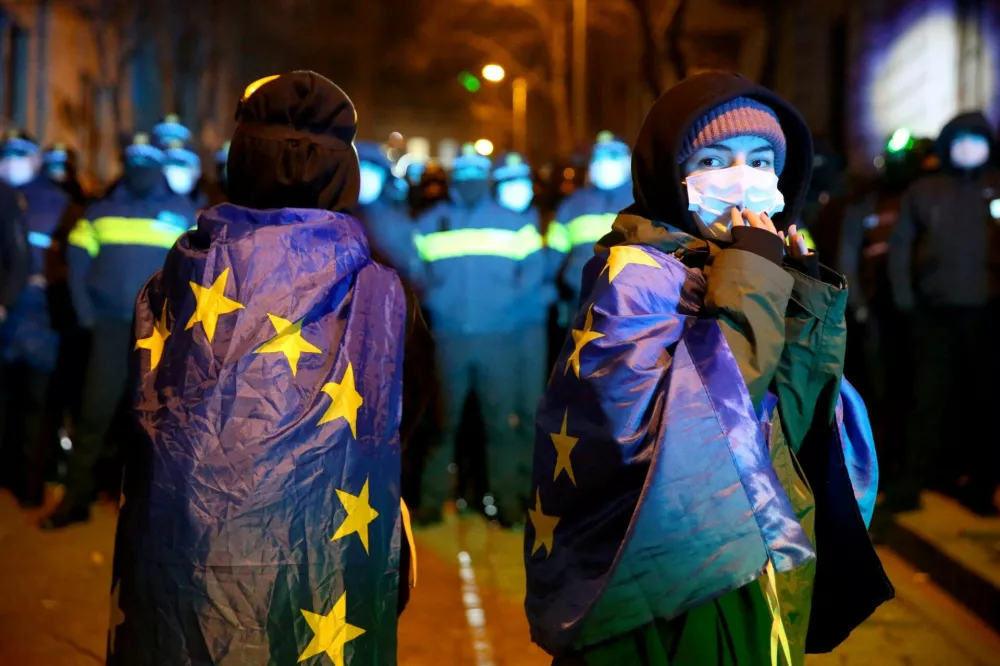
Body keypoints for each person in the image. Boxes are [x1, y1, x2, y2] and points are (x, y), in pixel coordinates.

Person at [525, 71, 892, 665]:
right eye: (714, 160)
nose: (741, 178)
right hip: (677, 582)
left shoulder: (749, 263)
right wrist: (754, 278)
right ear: (671, 175)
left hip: (756, 557)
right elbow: (707, 419)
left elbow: (797, 421)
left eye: (761, 160)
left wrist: (798, 295)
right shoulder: (636, 278)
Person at [105, 71, 427, 664]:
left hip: (179, 565)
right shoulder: (383, 294)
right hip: (325, 566)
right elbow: (411, 422)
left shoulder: (172, 283)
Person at [44, 132, 198, 528]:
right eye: (134, 162)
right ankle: (76, 498)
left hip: (159, 331)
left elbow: (196, 275)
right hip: (111, 328)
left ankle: (143, 504)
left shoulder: (182, 213)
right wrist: (86, 314)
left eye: (148, 162)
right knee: (95, 411)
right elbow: (76, 262)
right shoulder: (101, 211)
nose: (140, 170)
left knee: (152, 418)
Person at [414, 144, 545, 526]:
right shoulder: (432, 222)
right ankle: (431, 503)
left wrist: (502, 311)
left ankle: (508, 504)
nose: (470, 181)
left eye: (476, 174)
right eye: (464, 174)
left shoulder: (514, 223)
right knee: (443, 424)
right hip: (448, 340)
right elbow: (415, 274)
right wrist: (440, 305)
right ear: (454, 179)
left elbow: (532, 277)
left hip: (499, 341)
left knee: (500, 425)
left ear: (485, 180)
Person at [886, 112, 1000, 515]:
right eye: (961, 139)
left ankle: (981, 487)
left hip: (987, 312)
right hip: (934, 313)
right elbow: (900, 246)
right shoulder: (924, 190)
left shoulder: (995, 186)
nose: (969, 147)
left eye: (977, 139)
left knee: (986, 403)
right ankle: (910, 485)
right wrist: (905, 300)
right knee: (927, 401)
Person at [0, 130, 72, 506]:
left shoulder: (56, 202)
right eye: (6, 154)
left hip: (42, 319)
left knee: (36, 406)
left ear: (35, 159)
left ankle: (30, 484)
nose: (11, 162)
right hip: (7, 319)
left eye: (20, 155)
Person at [547, 132, 634, 311]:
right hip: (581, 304)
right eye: (598, 157)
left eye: (613, 156)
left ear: (628, 161)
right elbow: (551, 256)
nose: (605, 163)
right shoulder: (572, 205)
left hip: (635, 306)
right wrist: (549, 292)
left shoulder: (646, 200)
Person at [355, 140, 419, 279]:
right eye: (360, 169)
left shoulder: (396, 215)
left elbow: (407, 262)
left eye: (373, 168)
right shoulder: (335, 214)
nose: (365, 177)